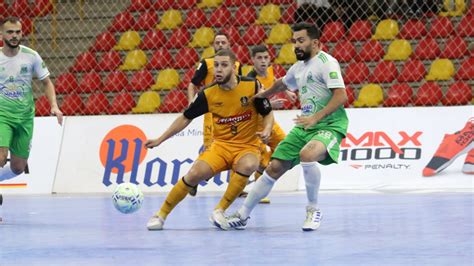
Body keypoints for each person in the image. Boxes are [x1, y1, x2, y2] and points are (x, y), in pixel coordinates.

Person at [215, 22, 349, 231]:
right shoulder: (298, 67)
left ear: (315, 43)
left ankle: (313, 210)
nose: (296, 45)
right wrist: (261, 95)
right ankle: (242, 215)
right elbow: (281, 84)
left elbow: (341, 96)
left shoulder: (327, 63)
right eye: (294, 41)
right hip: (305, 125)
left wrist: (316, 118)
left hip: (329, 124)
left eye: (301, 41)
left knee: (307, 154)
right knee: (274, 167)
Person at [145, 49, 274, 230]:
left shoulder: (252, 86)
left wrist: (267, 128)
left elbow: (267, 113)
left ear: (234, 68)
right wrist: (160, 139)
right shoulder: (208, 94)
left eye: (223, 65)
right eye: (216, 66)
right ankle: (161, 215)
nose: (218, 70)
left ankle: (219, 210)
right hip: (220, 146)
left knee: (249, 164)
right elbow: (185, 117)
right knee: (194, 174)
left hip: (247, 146)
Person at [0, 17, 63, 222]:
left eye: (18, 32)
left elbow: (47, 83)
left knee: (18, 168)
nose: (14, 36)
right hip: (2, 115)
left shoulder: (31, 56)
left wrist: (54, 105)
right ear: (2, 35)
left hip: (25, 118)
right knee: (1, 157)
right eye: (10, 32)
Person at [186, 32, 242, 197]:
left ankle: (236, 187)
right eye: (217, 42)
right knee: (210, 147)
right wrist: (191, 101)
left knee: (237, 145)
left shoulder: (237, 64)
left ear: (229, 45)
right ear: (213, 45)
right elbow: (192, 84)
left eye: (223, 42)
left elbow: (240, 85)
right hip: (213, 111)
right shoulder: (206, 63)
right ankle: (193, 179)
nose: (220, 45)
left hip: (233, 112)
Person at [245, 45, 296, 204]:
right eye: (259, 58)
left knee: (286, 147)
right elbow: (249, 104)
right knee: (257, 157)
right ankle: (258, 190)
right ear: (253, 60)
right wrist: (270, 104)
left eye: (266, 58)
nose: (263, 61)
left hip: (270, 122)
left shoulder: (270, 70)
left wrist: (287, 91)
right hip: (255, 126)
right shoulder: (250, 79)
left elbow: (274, 81)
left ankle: (262, 169)